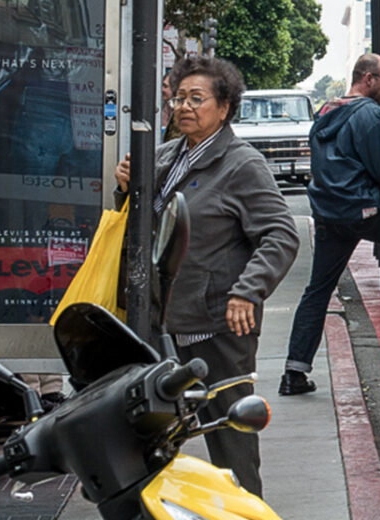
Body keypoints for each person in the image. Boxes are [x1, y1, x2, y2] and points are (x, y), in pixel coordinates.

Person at [115, 56, 298, 496]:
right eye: (179, 98)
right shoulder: (164, 156)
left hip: (216, 325)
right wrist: (126, 189)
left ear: (225, 107)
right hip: (159, 322)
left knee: (231, 442)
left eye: (197, 99)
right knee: (150, 440)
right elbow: (144, 227)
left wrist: (247, 291)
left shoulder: (241, 164)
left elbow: (280, 233)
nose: (184, 107)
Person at [280, 53, 380, 396]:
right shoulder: (369, 114)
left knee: (317, 291)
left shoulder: (327, 110)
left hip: (329, 214)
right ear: (369, 78)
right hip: (364, 211)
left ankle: (294, 372)